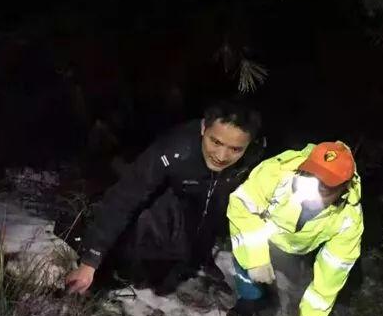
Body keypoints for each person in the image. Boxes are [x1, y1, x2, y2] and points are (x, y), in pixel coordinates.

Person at [65, 100, 265, 294]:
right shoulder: (175, 148)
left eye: (235, 149)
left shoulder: (256, 158)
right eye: (216, 141)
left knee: (219, 204)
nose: (222, 156)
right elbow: (123, 200)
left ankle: (202, 257)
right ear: (204, 128)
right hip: (175, 193)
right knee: (152, 226)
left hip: (210, 192)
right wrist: (90, 262)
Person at [226, 141, 363, 316]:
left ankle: (271, 293)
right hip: (261, 232)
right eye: (309, 176)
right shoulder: (277, 172)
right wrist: (255, 259)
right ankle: (247, 301)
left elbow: (335, 265)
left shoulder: (349, 218)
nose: (313, 191)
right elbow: (242, 207)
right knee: (248, 268)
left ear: (344, 189)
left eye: (324, 187)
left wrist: (313, 313)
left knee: (285, 278)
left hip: (298, 248)